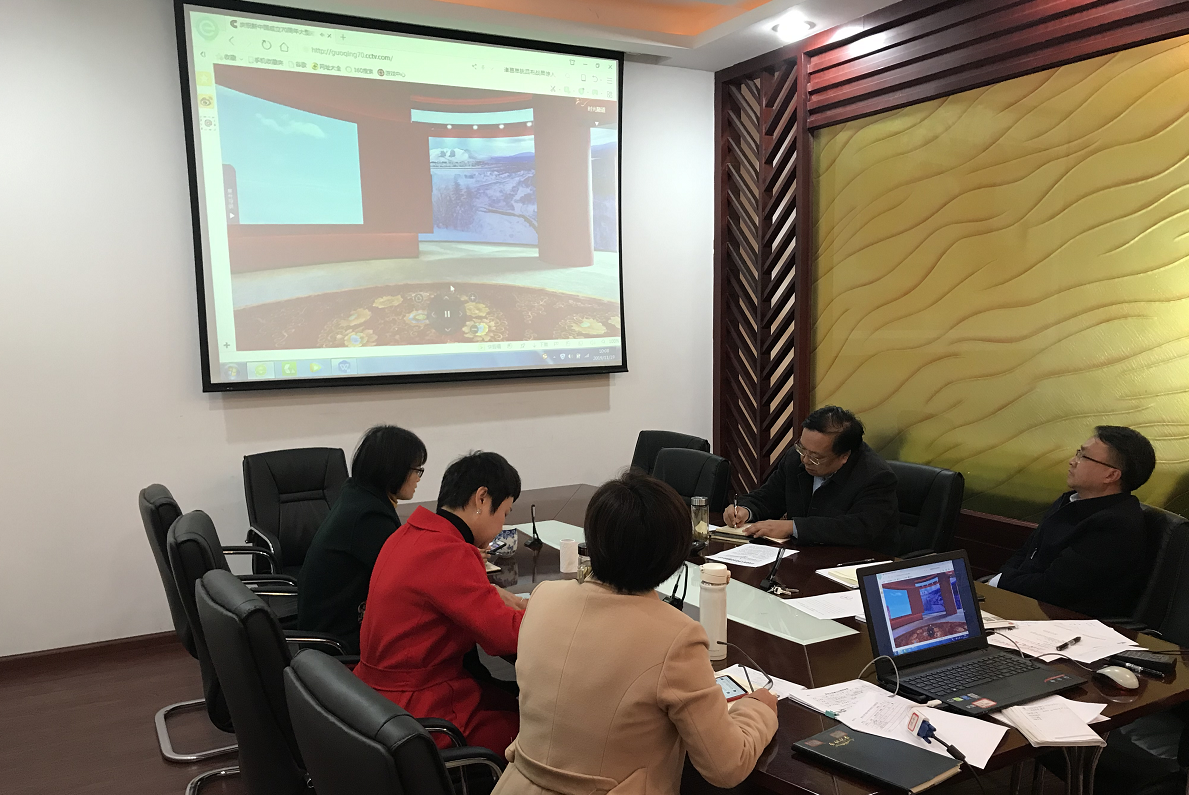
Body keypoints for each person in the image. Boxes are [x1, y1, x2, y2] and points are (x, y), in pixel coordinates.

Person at [494, 471, 778, 795]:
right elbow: (726, 766)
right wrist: (757, 709)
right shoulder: (676, 636)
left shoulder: (544, 597)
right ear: (674, 554)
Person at [356, 451, 527, 755]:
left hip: (372, 699)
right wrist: (551, 608)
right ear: (482, 498)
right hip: (418, 712)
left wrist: (489, 594)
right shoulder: (449, 551)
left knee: (510, 699)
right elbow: (504, 636)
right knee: (539, 731)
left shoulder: (410, 533)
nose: (502, 526)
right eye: (505, 513)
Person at [990, 425, 1157, 618]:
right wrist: (1000, 580)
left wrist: (1000, 582)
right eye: (1078, 453)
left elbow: (1054, 587)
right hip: (1023, 600)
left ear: (1111, 475)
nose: (1072, 461)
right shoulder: (1071, 500)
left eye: (1083, 457)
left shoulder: (1116, 525)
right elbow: (1027, 552)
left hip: (1064, 619)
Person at [297, 424, 426, 654]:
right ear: (393, 470)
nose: (418, 478)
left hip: (329, 628)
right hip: (339, 643)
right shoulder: (368, 517)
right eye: (416, 470)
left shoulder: (357, 496)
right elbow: (409, 578)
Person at [722, 405, 899, 553]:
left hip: (853, 564)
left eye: (816, 457)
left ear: (844, 456)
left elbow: (857, 528)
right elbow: (770, 496)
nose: (805, 460)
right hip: (800, 557)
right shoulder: (795, 458)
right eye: (802, 448)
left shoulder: (876, 476)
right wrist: (745, 509)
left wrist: (793, 527)